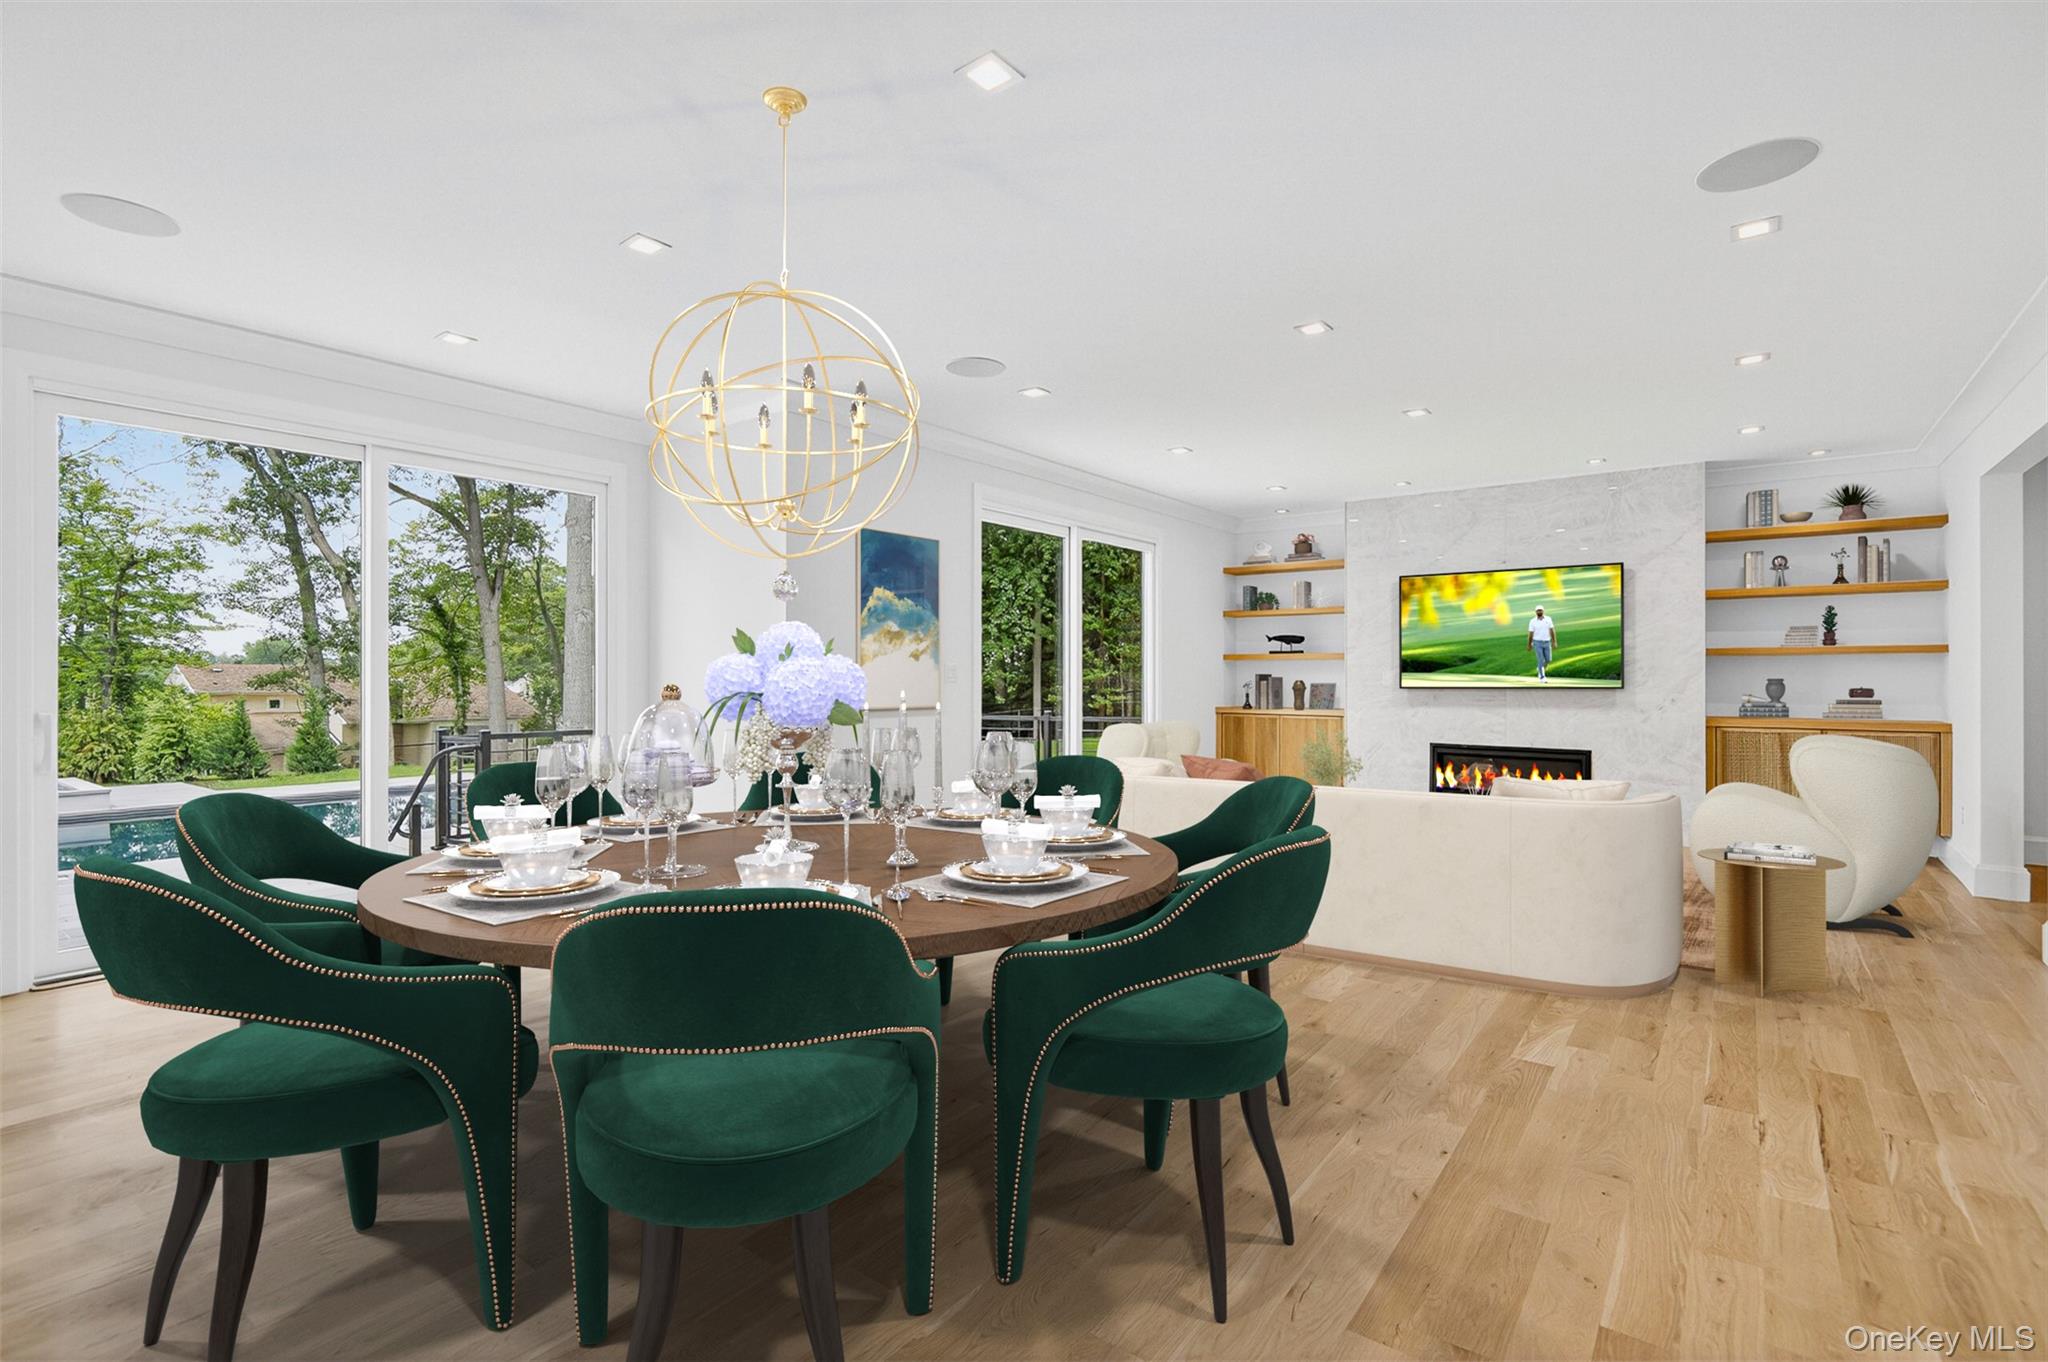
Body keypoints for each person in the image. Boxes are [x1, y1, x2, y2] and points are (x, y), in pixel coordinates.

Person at [1526, 606, 1557, 682]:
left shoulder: (1548, 619)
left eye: (1540, 610)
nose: (1539, 612)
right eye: (1538, 611)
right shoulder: (1532, 621)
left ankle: (1540, 668)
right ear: (1535, 612)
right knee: (1540, 659)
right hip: (1537, 642)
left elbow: (1552, 630)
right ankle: (1542, 677)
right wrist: (1529, 644)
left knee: (1548, 659)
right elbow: (1530, 633)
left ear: (1543, 611)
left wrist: (1554, 642)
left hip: (1547, 642)